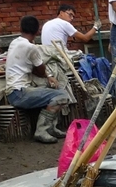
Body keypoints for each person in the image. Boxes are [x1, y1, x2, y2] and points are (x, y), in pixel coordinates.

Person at [5, 15, 71, 144]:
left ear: (21, 28)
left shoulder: (15, 42)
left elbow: (31, 67)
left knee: (51, 92)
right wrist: (49, 76)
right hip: (20, 93)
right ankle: (42, 130)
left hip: (13, 91)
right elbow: (41, 71)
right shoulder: (31, 48)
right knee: (61, 95)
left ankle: (51, 128)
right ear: (37, 31)